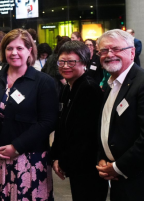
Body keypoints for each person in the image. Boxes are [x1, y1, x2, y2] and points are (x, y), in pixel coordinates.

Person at [0, 29, 58, 201]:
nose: (14, 53)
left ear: (30, 50)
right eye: (9, 48)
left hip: (31, 160)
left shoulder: (43, 82)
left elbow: (48, 121)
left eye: (20, 48)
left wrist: (16, 147)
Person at [95, 29, 144, 200]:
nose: (109, 54)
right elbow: (107, 126)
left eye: (116, 49)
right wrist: (103, 158)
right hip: (119, 179)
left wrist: (118, 167)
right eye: (104, 51)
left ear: (132, 52)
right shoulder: (111, 85)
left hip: (141, 181)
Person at [51, 41, 108, 200]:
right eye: (61, 62)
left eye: (71, 62)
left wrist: (64, 161)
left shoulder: (88, 88)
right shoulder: (68, 86)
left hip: (88, 166)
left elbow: (85, 135)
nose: (65, 66)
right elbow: (62, 125)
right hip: (76, 164)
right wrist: (56, 156)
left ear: (84, 62)